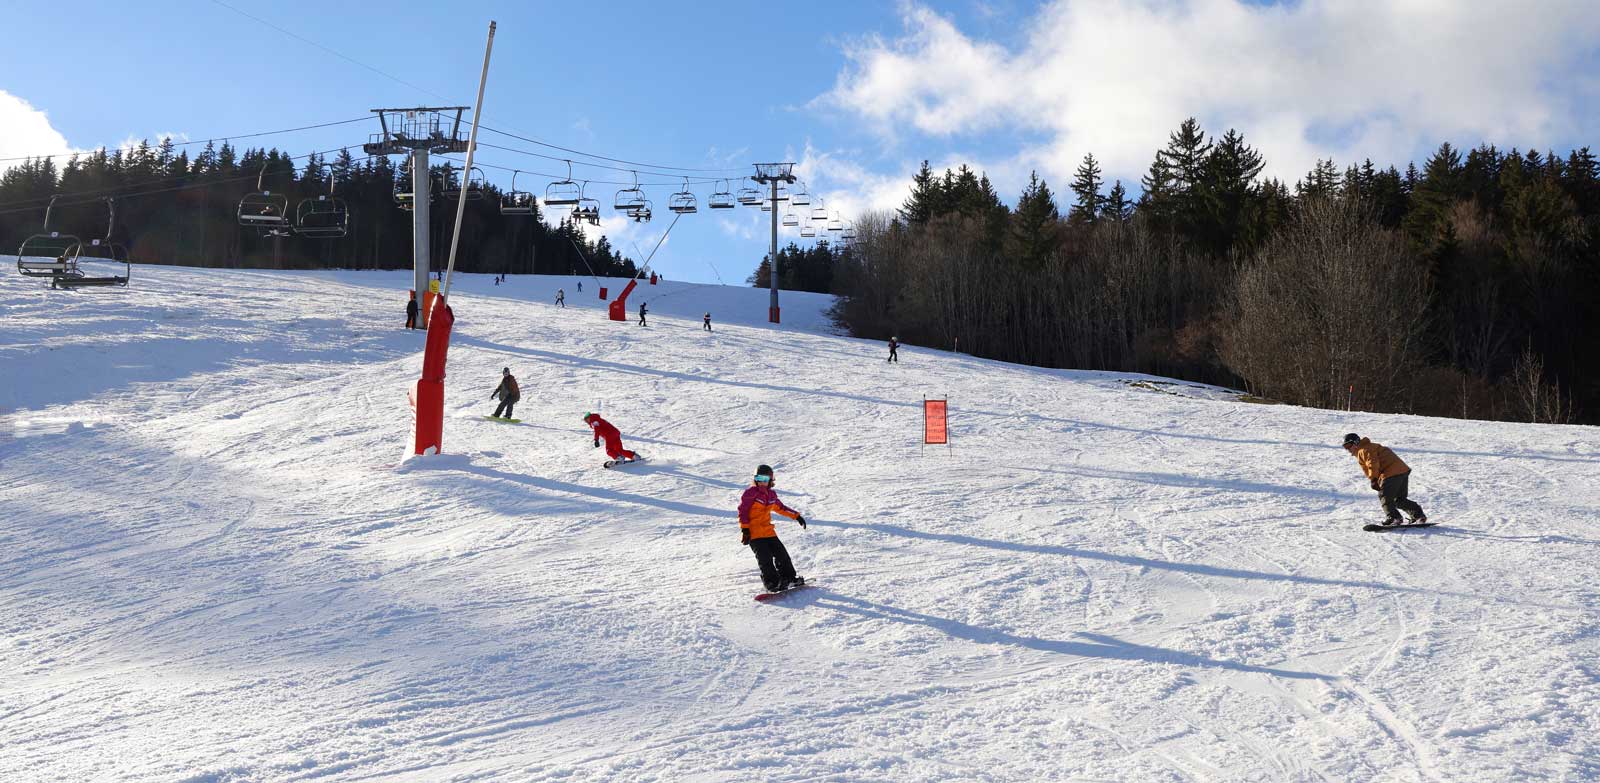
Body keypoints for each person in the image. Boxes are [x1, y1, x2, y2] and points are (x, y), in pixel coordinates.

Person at [739, 464, 807, 592]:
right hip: (754, 534)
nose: (761, 482)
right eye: (758, 478)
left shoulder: (771, 495)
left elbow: (781, 508)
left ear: (770, 480)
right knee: (765, 558)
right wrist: (745, 529)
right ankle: (772, 583)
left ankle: (789, 578)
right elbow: (743, 511)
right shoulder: (750, 493)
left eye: (765, 479)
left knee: (782, 555)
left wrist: (797, 516)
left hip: (769, 532)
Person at [1343, 433, 1427, 525]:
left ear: (1356, 442)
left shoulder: (1364, 450)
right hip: (1402, 471)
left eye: (1348, 445)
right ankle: (1418, 515)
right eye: (1345, 447)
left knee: (1384, 496)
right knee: (1399, 500)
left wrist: (1374, 479)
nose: (1347, 449)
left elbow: (1373, 463)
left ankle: (1394, 518)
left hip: (1391, 473)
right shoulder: (1369, 447)